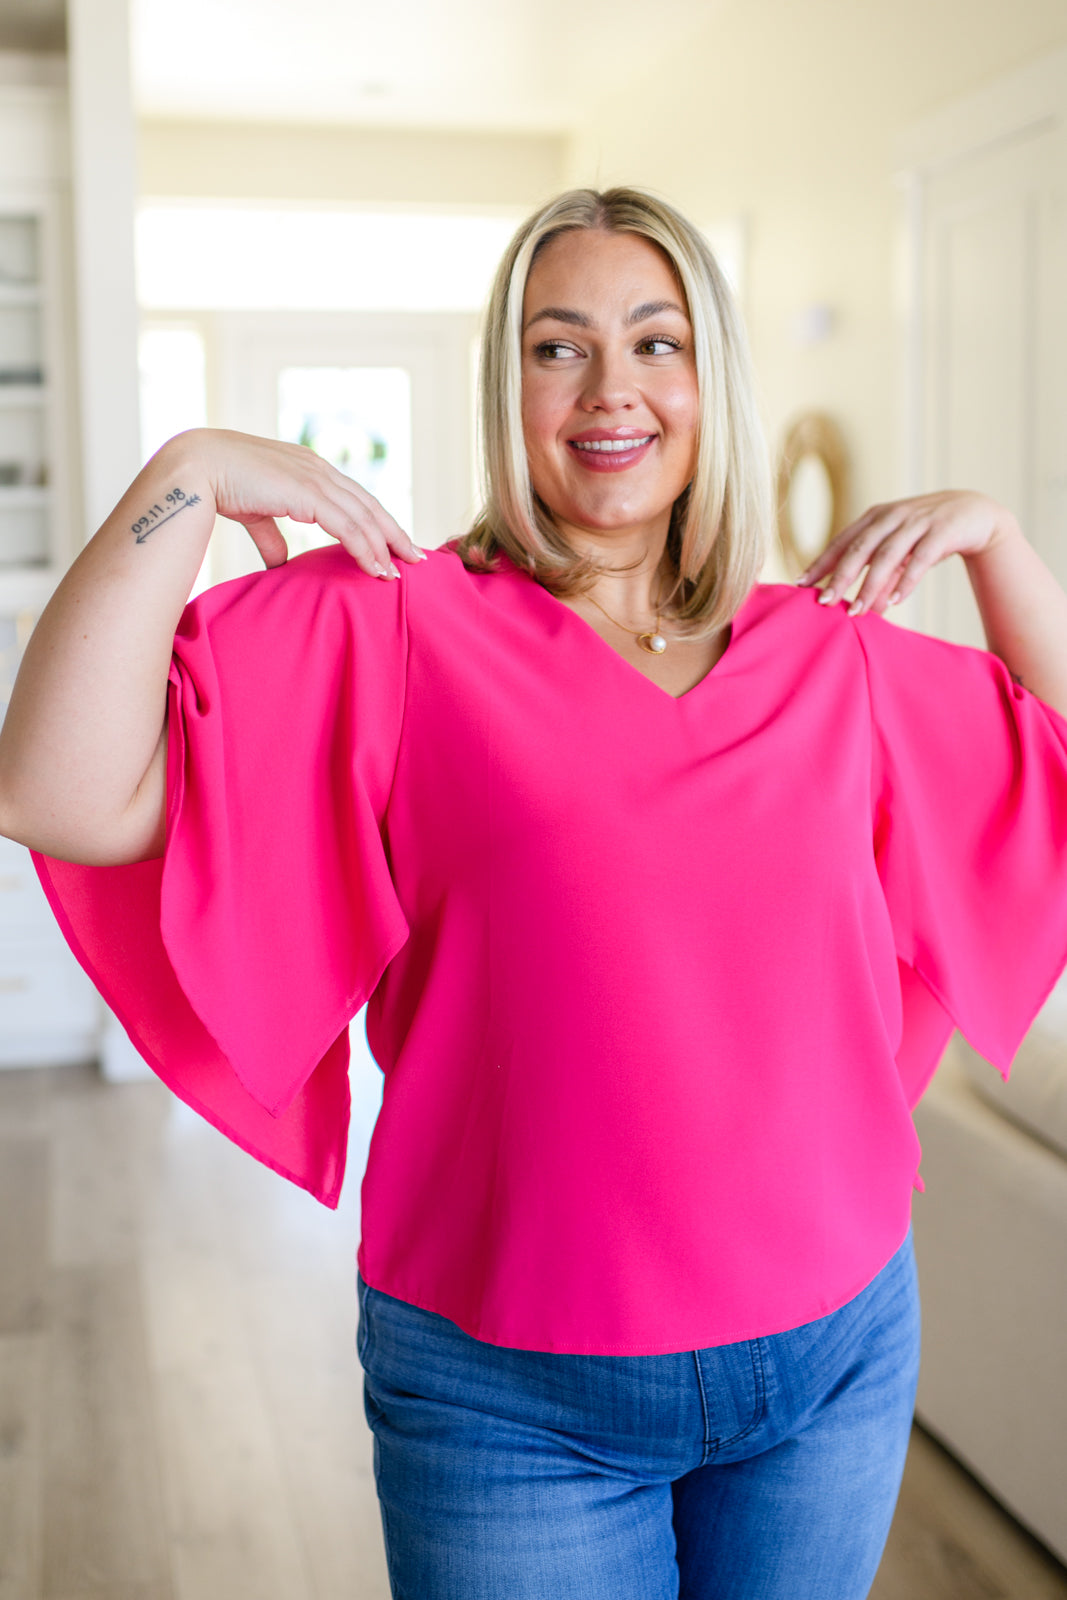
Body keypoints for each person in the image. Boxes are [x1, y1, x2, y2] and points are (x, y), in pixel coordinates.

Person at [2, 186, 1067, 1600]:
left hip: (831, 1365)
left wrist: (1000, 544)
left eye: (655, 341)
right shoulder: (389, 615)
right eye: (557, 347)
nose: (610, 388)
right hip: (510, 1402)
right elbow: (52, 789)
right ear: (507, 381)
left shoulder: (837, 652)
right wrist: (185, 474)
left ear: (710, 379)